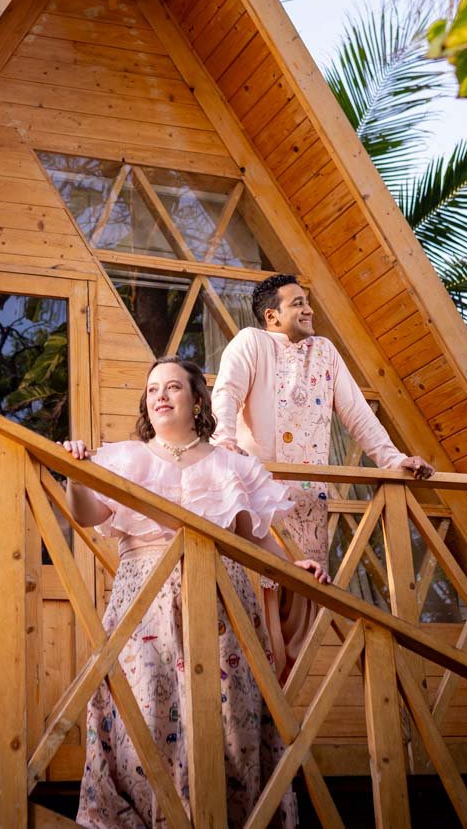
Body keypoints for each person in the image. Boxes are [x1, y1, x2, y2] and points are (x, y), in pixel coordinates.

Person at [59, 356, 324, 829]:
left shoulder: (231, 465)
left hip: (222, 599)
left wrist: (292, 567)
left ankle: (230, 817)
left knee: (228, 716)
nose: (160, 395)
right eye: (153, 388)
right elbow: (87, 515)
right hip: (144, 599)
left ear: (197, 399)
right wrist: (75, 474)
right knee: (142, 709)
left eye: (173, 387)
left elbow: (255, 537)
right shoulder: (125, 458)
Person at [210, 274, 434, 669]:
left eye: (307, 301)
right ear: (272, 316)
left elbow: (358, 416)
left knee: (301, 616)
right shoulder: (252, 342)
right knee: (253, 616)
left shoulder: (325, 352)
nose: (308, 308)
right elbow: (226, 392)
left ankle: (277, 713)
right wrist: (224, 439)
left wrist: (394, 460)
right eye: (297, 303)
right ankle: (254, 710)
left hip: (308, 506)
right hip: (256, 500)